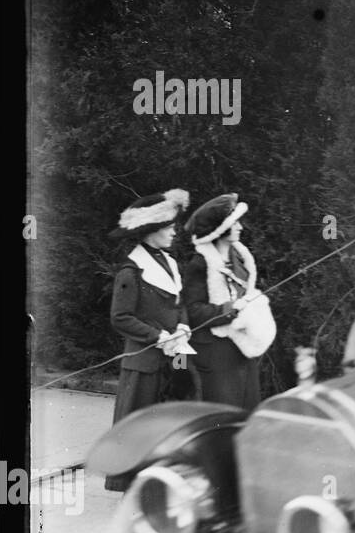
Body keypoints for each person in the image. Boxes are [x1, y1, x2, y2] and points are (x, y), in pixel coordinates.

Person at [106, 189, 194, 487]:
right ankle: (130, 486)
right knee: (138, 424)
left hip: (175, 357)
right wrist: (157, 336)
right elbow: (120, 318)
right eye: (168, 228)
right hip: (144, 362)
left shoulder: (171, 264)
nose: (173, 233)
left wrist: (182, 327)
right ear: (153, 231)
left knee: (168, 422)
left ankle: (159, 483)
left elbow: (178, 305)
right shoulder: (131, 271)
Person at [182, 193, 274, 411]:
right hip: (215, 354)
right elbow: (194, 312)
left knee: (246, 411)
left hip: (241, 348)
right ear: (221, 228)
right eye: (236, 223)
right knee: (222, 415)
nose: (241, 227)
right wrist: (230, 310)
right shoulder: (199, 264)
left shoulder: (239, 260)